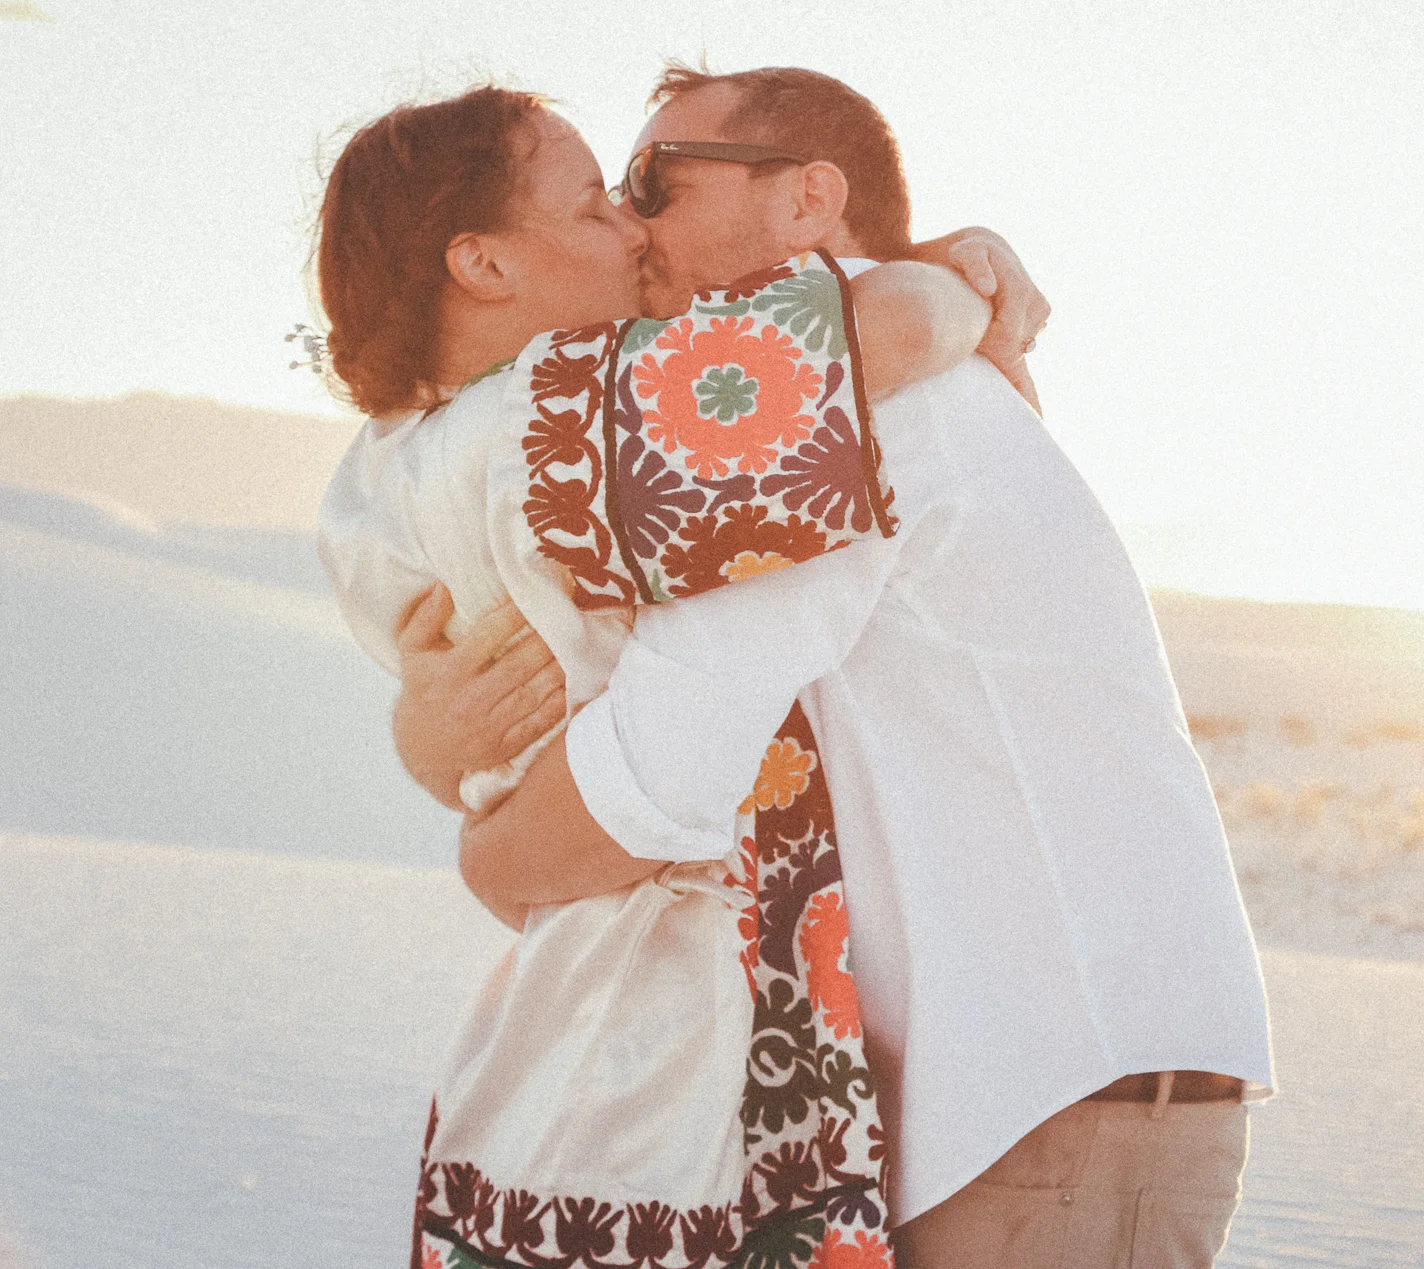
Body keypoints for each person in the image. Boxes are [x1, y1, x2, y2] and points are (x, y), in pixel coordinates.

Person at [396, 66, 1274, 1269]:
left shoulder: (835, 399)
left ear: (810, 199)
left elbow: (650, 785)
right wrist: (432, 726)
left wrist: (486, 848)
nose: (627, 223)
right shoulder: (838, 367)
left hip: (1050, 1115)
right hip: (1023, 1102)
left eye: (654, 180)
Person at [312, 83, 1042, 1268]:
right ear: (484, 265)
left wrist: (434, 756)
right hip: (655, 1072)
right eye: (597, 198)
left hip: (553, 1041)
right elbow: (897, 333)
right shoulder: (569, 423)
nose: (633, 227)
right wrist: (958, 274)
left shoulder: (375, 479)